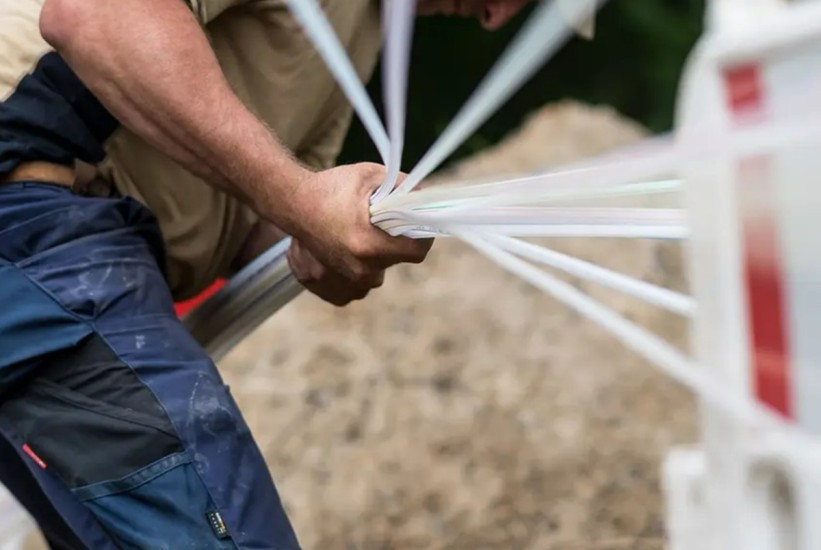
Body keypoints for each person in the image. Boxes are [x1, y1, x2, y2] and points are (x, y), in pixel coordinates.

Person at [0, 0, 534, 548]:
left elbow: (260, 211)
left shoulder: (363, 32)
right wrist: (302, 200)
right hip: (31, 213)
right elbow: (97, 15)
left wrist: (334, 236)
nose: (497, 18)